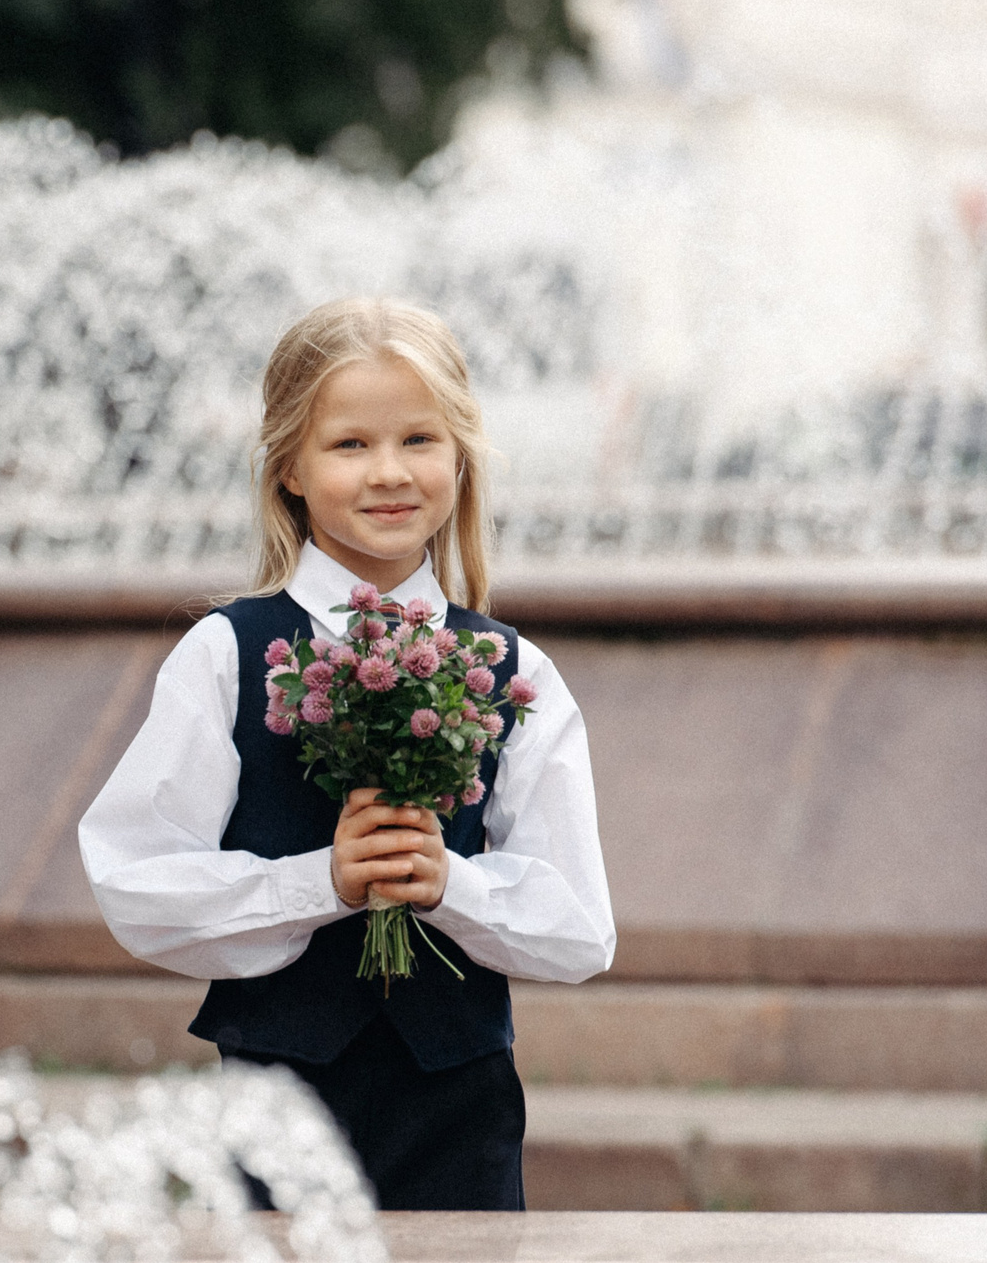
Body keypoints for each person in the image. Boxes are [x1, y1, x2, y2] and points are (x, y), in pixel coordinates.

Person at [78, 296, 616, 1211]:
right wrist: (321, 882)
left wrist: (449, 881)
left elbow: (579, 929)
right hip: (276, 1112)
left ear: (459, 457)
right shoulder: (227, 654)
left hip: (461, 1123)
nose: (389, 473)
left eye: (419, 440)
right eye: (350, 445)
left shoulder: (513, 673)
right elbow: (134, 879)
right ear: (289, 464)